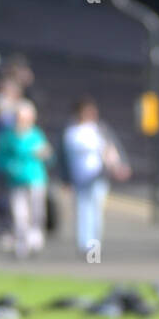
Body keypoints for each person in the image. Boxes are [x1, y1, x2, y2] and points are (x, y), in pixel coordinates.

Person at [62, 97, 129, 258]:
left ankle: (94, 250)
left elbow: (110, 147)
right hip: (81, 178)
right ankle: (84, 246)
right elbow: (65, 155)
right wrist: (65, 179)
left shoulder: (99, 129)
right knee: (83, 211)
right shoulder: (72, 131)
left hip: (98, 176)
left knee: (96, 212)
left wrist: (119, 165)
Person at [0, 100, 53, 257]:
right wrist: (10, 166)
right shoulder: (8, 136)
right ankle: (22, 243)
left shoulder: (36, 134)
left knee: (37, 211)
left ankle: (35, 239)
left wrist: (44, 153)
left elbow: (48, 154)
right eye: (20, 117)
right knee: (19, 213)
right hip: (15, 180)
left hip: (35, 178)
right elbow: (0, 158)